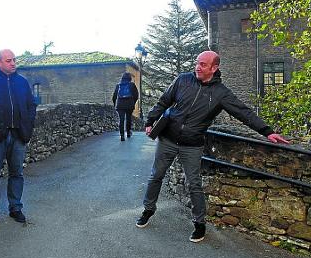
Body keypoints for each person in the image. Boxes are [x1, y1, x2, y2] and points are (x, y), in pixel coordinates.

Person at [136, 50, 289, 243]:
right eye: (197, 63)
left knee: (194, 184)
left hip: (192, 145)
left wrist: (267, 131)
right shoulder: (182, 80)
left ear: (214, 68)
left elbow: (243, 112)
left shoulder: (221, 93)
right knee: (155, 176)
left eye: (203, 64)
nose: (197, 67)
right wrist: (150, 120)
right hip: (167, 139)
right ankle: (148, 209)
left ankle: (199, 223)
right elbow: (163, 101)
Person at [0, 49, 37, 227]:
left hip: (18, 134)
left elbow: (31, 105)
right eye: (8, 60)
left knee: (17, 173)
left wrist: (27, 125)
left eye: (14, 60)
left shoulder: (22, 82)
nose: (13, 63)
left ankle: (15, 208)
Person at [111, 72, 139, 141]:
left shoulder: (118, 85)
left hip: (120, 105)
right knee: (128, 119)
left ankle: (122, 135)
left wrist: (115, 104)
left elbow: (114, 96)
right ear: (130, 78)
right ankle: (128, 133)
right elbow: (136, 95)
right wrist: (133, 102)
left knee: (121, 120)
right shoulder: (132, 85)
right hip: (129, 104)